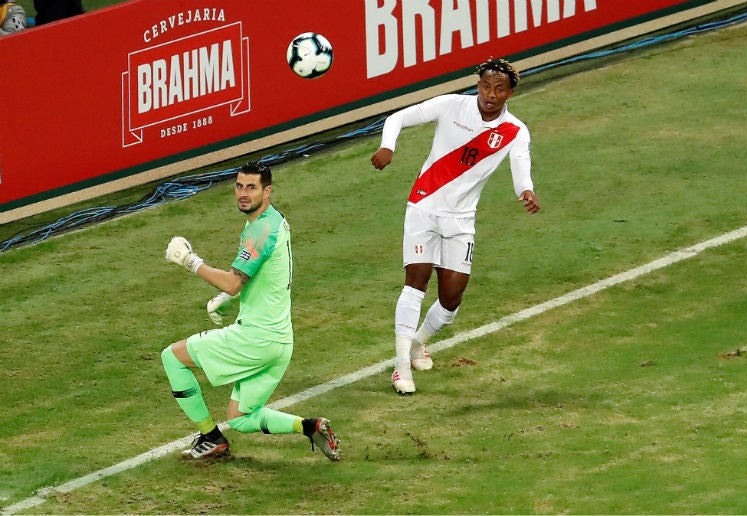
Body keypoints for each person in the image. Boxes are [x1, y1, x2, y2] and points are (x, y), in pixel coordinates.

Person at [371, 57, 541, 395]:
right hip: (423, 206)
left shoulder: (515, 131)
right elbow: (398, 117)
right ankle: (402, 366)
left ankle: (419, 343)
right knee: (414, 284)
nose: (490, 94)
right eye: (485, 86)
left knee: (451, 301)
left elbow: (521, 165)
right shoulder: (451, 105)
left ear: (509, 94)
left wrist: (526, 189)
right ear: (478, 85)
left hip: (461, 220)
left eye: (499, 89)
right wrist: (387, 146)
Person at [162, 160, 341, 460]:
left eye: (251, 188)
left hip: (255, 339)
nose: (243, 194)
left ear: (267, 191)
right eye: (239, 186)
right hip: (280, 342)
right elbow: (263, 275)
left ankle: (210, 436)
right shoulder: (274, 221)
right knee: (240, 418)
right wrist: (227, 297)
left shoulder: (259, 231)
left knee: (172, 357)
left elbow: (234, 282)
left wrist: (190, 261)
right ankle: (310, 426)